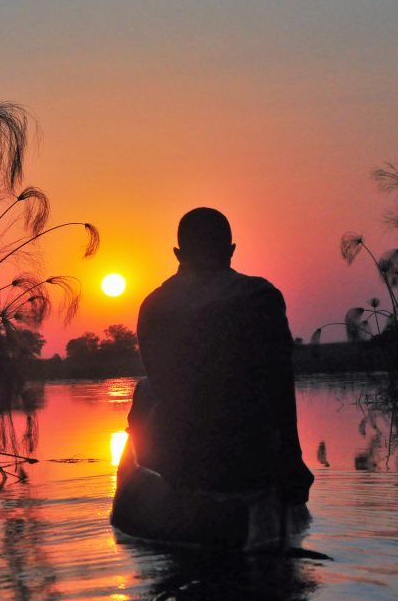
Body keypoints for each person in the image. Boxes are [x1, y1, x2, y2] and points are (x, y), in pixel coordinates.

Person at [129, 207, 313, 505]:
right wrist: (293, 461)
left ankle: (151, 487)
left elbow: (162, 383)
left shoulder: (153, 305)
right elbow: (280, 385)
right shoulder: (260, 295)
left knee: (145, 388)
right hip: (250, 458)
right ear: (231, 250)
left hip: (180, 462)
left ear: (177, 254)